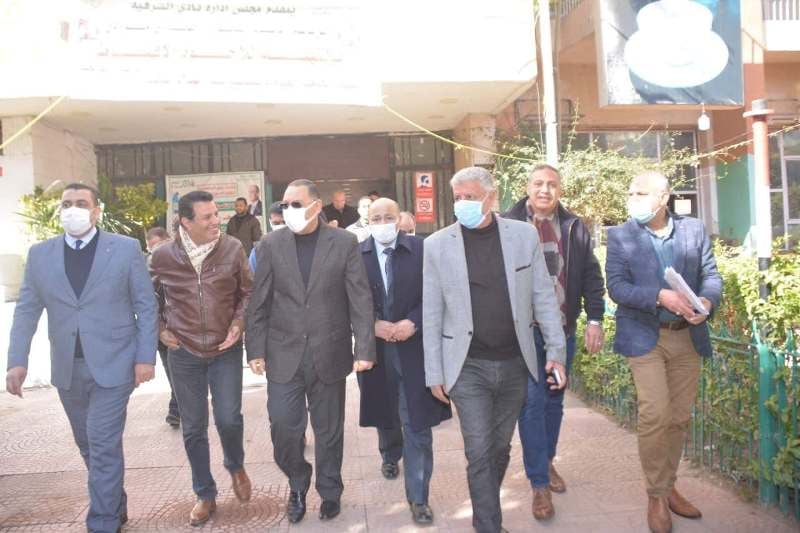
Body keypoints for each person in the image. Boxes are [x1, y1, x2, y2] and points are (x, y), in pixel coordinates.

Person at [6, 182, 158, 533]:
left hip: (115, 364)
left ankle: (102, 522)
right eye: (66, 204)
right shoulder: (41, 254)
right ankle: (115, 503)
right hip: (67, 368)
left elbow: (145, 304)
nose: (72, 209)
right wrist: (17, 360)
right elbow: (27, 309)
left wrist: (145, 357)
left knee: (102, 443)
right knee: (88, 444)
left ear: (96, 211)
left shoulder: (124, 249)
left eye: (81, 203)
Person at [423, 166, 567, 533]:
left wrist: (555, 352)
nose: (462, 204)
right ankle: (488, 524)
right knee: (478, 450)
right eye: (457, 198)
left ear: (491, 197)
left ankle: (485, 506)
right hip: (467, 366)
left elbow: (543, 296)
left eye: (470, 197)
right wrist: (434, 372)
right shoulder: (436, 245)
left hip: (516, 363)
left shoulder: (523, 236)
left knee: (499, 448)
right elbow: (432, 312)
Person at [246, 179, 375, 524]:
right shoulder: (270, 244)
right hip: (282, 353)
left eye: (296, 204)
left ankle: (330, 490)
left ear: (316, 207)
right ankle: (297, 481)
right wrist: (255, 348)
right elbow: (259, 301)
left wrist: (364, 348)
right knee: (284, 427)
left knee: (329, 431)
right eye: (285, 205)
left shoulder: (344, 242)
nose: (288, 210)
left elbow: (359, 298)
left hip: (329, 351)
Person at [606, 171, 722, 533]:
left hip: (687, 336)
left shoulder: (693, 229)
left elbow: (711, 276)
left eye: (641, 193)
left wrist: (706, 302)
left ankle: (669, 485)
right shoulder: (620, 235)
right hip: (645, 336)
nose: (633, 198)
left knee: (679, 418)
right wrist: (659, 296)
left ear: (664, 198)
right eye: (630, 192)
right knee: (655, 414)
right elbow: (616, 287)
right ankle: (656, 495)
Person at [503, 164, 605, 519]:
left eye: (552, 184)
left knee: (553, 402)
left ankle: (546, 461)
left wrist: (594, 319)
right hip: (524, 334)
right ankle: (539, 484)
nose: (545, 190)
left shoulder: (574, 227)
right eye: (538, 183)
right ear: (527, 187)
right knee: (531, 404)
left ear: (559, 189)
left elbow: (591, 276)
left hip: (561, 331)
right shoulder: (507, 224)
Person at [150, 190, 253, 527]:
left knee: (229, 419)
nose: (215, 221)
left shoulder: (232, 248)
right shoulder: (163, 256)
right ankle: (205, 493)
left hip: (225, 349)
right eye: (207, 217)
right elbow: (147, 298)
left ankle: (235, 465)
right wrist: (160, 329)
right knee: (193, 427)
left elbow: (247, 293)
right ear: (186, 222)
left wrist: (238, 324)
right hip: (184, 352)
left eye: (216, 214)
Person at [358, 198, 451, 525]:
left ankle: (419, 498)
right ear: (367, 221)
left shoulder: (422, 250)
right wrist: (371, 324)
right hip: (376, 352)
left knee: (417, 423)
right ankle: (389, 453)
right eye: (376, 218)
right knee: (386, 414)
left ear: (399, 220)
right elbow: (346, 299)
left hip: (415, 350)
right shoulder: (356, 255)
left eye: (389, 217)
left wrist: (415, 321)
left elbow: (438, 294)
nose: (383, 222)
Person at [146, 227, 180, 429]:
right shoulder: (148, 267)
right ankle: (177, 407)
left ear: (168, 240)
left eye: (157, 245)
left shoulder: (181, 261)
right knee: (172, 372)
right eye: (150, 248)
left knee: (181, 373)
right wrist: (159, 328)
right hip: (162, 330)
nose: (155, 251)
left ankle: (177, 408)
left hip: (183, 329)